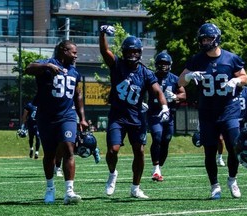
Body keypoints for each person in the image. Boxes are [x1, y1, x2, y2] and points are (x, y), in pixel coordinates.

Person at [178, 23, 247, 200]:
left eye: (208, 38)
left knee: (234, 148)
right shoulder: (196, 60)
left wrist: (236, 81)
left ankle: (232, 179)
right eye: (202, 39)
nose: (205, 42)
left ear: (216, 39)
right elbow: (181, 81)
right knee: (209, 151)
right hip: (207, 112)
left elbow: (244, 77)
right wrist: (189, 76)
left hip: (229, 110)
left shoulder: (231, 58)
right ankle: (215, 186)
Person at [99, 25, 170, 199]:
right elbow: (105, 51)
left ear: (140, 52)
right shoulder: (117, 65)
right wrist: (102, 34)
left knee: (139, 152)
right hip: (117, 116)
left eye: (135, 51)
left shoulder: (145, 72)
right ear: (124, 52)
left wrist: (165, 106)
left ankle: (135, 187)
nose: (132, 54)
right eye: (129, 51)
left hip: (137, 118)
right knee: (112, 150)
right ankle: (112, 173)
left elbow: (158, 91)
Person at [25, 40, 89, 204]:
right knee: (50, 154)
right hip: (46, 116)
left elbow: (78, 95)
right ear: (63, 51)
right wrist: (46, 66)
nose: (76, 55)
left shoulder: (74, 72)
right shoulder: (48, 64)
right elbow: (28, 68)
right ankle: (50, 189)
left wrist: (82, 118)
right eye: (73, 52)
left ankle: (69, 191)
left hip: (67, 116)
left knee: (69, 148)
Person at [146, 52, 186, 181]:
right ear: (157, 64)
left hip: (169, 115)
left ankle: (159, 166)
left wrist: (175, 97)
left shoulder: (175, 79)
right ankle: (156, 168)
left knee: (166, 140)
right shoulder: (151, 77)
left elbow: (183, 95)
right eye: (161, 63)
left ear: (170, 65)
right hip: (154, 113)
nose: (163, 66)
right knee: (157, 137)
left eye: (166, 63)